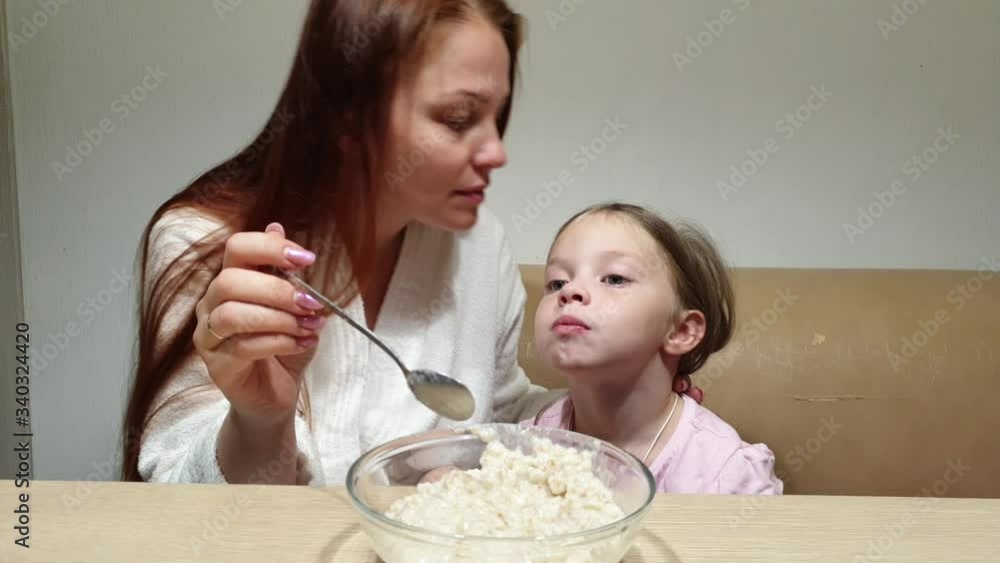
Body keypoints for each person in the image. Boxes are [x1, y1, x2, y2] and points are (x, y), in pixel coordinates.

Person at [119, 0, 567, 486]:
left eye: (496, 117)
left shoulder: (480, 247)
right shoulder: (204, 245)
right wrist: (260, 421)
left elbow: (499, 419)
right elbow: (177, 499)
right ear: (349, 116)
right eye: (459, 119)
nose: (497, 152)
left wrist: (625, 393)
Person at [526, 202, 783, 495]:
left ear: (681, 331)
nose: (570, 292)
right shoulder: (525, 447)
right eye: (557, 282)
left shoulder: (723, 473)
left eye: (614, 278)